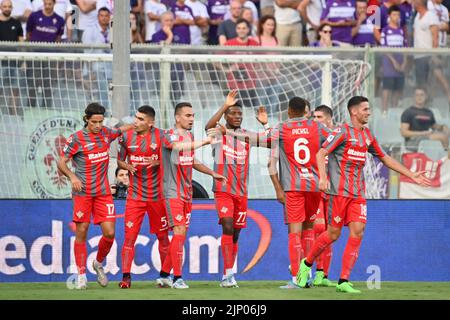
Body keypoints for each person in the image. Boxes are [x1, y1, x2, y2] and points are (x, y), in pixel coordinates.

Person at [296, 96, 431, 293]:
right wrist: (323, 178)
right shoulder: (341, 132)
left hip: (358, 194)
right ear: (354, 112)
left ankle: (343, 281)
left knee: (358, 231)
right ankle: (306, 264)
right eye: (365, 109)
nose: (369, 112)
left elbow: (384, 158)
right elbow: (320, 154)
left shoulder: (367, 135)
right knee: (333, 234)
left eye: (369, 109)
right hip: (339, 193)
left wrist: (411, 174)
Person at [57, 103, 133, 290]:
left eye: (100, 121)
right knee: (81, 230)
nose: (98, 125)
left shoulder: (106, 134)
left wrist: (139, 124)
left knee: (110, 233)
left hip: (103, 193)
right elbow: (61, 162)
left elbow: (120, 130)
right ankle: (82, 274)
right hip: (83, 193)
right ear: (86, 120)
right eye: (94, 122)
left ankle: (98, 263)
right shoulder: (76, 139)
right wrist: (72, 176)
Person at [155, 102, 227, 289]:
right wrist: (205, 142)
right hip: (172, 192)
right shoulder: (168, 134)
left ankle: (164, 275)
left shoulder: (190, 136)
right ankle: (177, 278)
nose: (192, 119)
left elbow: (192, 160)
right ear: (177, 117)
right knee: (179, 232)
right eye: (188, 115)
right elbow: (178, 147)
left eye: (193, 115)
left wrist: (212, 173)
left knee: (181, 234)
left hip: (187, 193)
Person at [205, 90, 269, 288]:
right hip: (223, 189)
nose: (237, 116)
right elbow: (208, 126)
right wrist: (225, 104)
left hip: (242, 192)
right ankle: (226, 275)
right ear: (226, 116)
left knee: (236, 234)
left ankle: (229, 272)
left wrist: (265, 124)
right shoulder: (219, 133)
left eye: (239, 113)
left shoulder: (246, 136)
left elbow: (269, 141)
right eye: (233, 113)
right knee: (227, 225)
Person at [267, 97, 331, 289]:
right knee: (309, 230)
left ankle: (296, 278)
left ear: (288, 111)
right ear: (306, 111)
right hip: (314, 186)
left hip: (294, 186)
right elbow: (335, 140)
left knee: (295, 233)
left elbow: (260, 141)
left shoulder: (282, 129)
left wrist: (227, 132)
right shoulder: (316, 127)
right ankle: (307, 275)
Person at [116, 105, 170, 289]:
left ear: (150, 122)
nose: (136, 122)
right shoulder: (126, 136)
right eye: (136, 118)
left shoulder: (162, 136)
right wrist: (126, 166)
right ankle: (126, 277)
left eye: (140, 119)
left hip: (157, 197)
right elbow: (120, 159)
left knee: (163, 237)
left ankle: (165, 276)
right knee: (129, 238)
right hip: (135, 197)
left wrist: (159, 161)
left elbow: (174, 156)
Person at [310, 104, 336, 287]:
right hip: (317, 190)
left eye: (319, 117)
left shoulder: (338, 137)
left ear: (328, 119)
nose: (315, 121)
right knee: (318, 230)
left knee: (331, 232)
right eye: (314, 117)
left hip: (335, 192)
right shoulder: (313, 138)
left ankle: (323, 275)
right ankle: (309, 268)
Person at [25, 0, 65, 108]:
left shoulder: (60, 20)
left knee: (48, 84)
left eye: (49, 4)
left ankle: (47, 109)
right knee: (33, 82)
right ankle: (30, 108)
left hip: (50, 56)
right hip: (35, 55)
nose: (47, 6)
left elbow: (58, 39)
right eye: (45, 4)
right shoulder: (34, 16)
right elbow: (28, 34)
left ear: (54, 4)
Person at [413, 0, 450, 104]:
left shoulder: (431, 16)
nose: (412, 2)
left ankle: (448, 96)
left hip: (429, 54)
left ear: (420, 3)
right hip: (418, 56)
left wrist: (434, 54)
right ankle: (426, 103)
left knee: (438, 77)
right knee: (423, 82)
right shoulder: (416, 17)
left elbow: (435, 37)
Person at [223, 18, 261, 109]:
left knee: (250, 113)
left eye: (244, 28)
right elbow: (215, 60)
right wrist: (227, 69)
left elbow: (261, 61)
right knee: (234, 111)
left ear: (248, 30)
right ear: (236, 30)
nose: (241, 30)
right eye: (239, 28)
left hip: (250, 85)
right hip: (233, 85)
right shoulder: (229, 44)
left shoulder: (254, 44)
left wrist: (256, 69)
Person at [400, 87, 450, 151]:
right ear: (413, 97)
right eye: (417, 95)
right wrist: (421, 133)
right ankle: (447, 157)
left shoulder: (429, 112)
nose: (419, 97)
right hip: (413, 141)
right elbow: (404, 133)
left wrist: (443, 127)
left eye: (422, 95)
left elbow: (434, 126)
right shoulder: (408, 112)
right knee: (442, 137)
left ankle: (444, 156)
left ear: (426, 96)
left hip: (426, 138)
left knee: (445, 134)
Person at [82, 6, 112, 109]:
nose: (104, 18)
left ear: (109, 17)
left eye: (106, 16)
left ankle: (106, 113)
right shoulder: (90, 30)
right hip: (94, 69)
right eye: (101, 15)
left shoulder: (112, 31)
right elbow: (87, 53)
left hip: (109, 70)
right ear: (98, 17)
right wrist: (90, 72)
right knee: (94, 98)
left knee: (108, 95)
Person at [380, 5, 408, 115]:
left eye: (398, 15)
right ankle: (384, 111)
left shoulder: (401, 31)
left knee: (397, 89)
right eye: (394, 14)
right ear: (389, 16)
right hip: (389, 65)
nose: (396, 17)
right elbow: (384, 48)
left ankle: (394, 112)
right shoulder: (385, 30)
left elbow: (406, 48)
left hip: (401, 65)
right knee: (387, 88)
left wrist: (404, 62)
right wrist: (394, 62)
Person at [0, 0, 24, 115]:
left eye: (9, 6)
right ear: (1, 7)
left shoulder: (17, 23)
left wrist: (23, 61)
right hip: (0, 63)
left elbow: (21, 44)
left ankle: (14, 114)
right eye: (5, 6)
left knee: (15, 90)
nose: (7, 8)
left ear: (12, 8)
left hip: (14, 63)